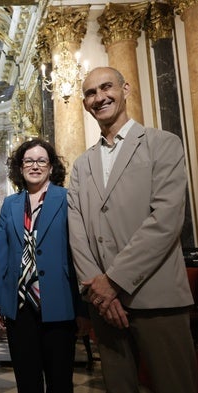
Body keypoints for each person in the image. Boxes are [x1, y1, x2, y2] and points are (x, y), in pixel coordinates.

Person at [68, 66, 198, 393]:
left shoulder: (162, 144)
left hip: (156, 297)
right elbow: (77, 231)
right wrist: (96, 289)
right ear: (84, 104)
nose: (99, 98)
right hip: (103, 303)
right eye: (90, 93)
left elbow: (166, 220)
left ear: (126, 89)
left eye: (106, 87)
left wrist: (113, 280)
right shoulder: (82, 164)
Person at [0, 139, 89, 393]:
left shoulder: (67, 199)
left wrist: (82, 307)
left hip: (59, 302)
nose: (35, 166)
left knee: (60, 380)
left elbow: (79, 254)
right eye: (29, 161)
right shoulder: (10, 203)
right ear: (20, 167)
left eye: (41, 161)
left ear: (51, 166)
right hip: (20, 305)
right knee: (27, 380)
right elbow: (1, 255)